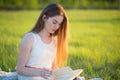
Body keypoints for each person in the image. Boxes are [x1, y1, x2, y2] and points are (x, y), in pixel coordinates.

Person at [16, 3, 69, 80]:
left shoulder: (54, 41)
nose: (56, 27)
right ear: (44, 18)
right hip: (30, 77)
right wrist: (40, 72)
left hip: (46, 77)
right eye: (54, 22)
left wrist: (65, 74)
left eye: (59, 24)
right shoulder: (30, 38)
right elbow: (20, 69)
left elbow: (53, 66)